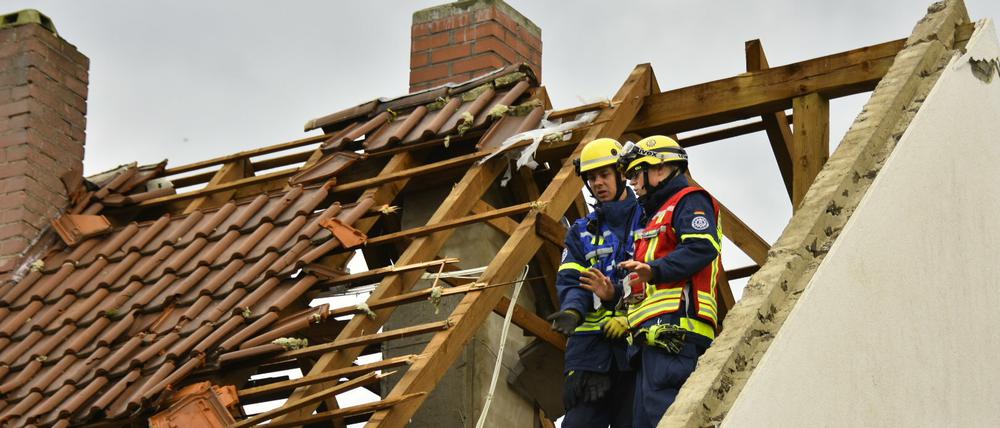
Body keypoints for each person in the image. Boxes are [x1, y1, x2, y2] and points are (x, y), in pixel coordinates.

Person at [581, 135, 723, 428]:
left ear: (659, 168)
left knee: (669, 418)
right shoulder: (654, 216)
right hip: (650, 341)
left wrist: (654, 270)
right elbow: (646, 285)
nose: (632, 181)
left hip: (676, 335)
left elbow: (701, 247)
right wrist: (614, 294)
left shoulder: (689, 200)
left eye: (636, 173)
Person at [547, 137, 643, 428]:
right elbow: (572, 281)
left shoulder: (649, 219)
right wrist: (573, 310)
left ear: (621, 174)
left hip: (636, 348)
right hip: (590, 355)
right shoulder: (581, 231)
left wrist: (618, 299)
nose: (597, 183)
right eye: (591, 178)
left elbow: (659, 279)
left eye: (604, 174)